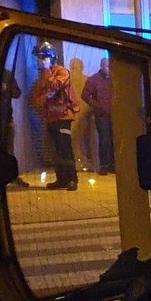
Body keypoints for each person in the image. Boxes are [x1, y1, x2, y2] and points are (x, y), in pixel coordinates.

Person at [31, 41, 81, 191]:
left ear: (50, 58)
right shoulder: (42, 77)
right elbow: (38, 98)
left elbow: (56, 86)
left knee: (65, 148)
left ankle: (72, 180)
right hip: (51, 118)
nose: (39, 61)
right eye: (39, 58)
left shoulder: (62, 72)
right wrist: (47, 96)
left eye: (42, 58)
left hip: (63, 117)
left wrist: (47, 73)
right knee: (56, 150)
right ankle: (61, 179)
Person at [81, 57, 114, 175]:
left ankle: (113, 165)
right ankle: (104, 165)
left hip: (115, 114)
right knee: (105, 139)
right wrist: (97, 106)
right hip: (102, 115)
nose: (109, 69)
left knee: (114, 139)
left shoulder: (114, 79)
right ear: (101, 66)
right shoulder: (93, 80)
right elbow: (85, 95)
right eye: (107, 66)